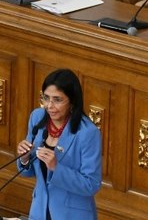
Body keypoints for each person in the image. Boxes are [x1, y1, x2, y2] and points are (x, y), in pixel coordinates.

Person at [17, 69, 102, 220]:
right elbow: (28, 171)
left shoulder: (87, 133)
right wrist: (24, 158)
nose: (49, 106)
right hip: (39, 212)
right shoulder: (37, 118)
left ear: (72, 101)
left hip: (72, 215)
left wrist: (56, 168)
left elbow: (91, 184)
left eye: (57, 100)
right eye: (46, 98)